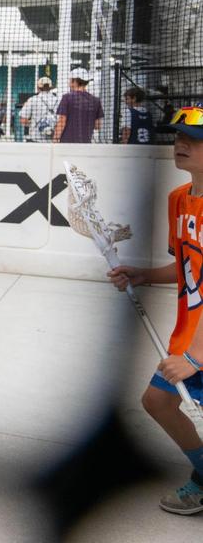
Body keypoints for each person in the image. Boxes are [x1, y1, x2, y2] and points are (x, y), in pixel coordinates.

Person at [108, 105, 203, 515]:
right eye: (178, 137)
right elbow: (185, 266)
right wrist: (145, 276)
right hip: (188, 334)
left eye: (195, 140)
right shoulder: (178, 200)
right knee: (158, 401)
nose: (181, 144)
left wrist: (197, 357)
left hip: (198, 346)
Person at [53, 67, 103, 143]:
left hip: (67, 143)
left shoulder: (67, 98)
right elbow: (97, 126)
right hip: (86, 143)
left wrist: (55, 139)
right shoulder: (96, 100)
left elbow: (62, 120)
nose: (69, 83)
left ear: (75, 81)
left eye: (70, 80)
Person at [19, 77, 59, 143]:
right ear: (51, 87)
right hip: (52, 140)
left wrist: (33, 123)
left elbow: (23, 120)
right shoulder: (58, 100)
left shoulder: (33, 100)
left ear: (38, 87)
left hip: (35, 138)